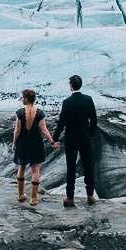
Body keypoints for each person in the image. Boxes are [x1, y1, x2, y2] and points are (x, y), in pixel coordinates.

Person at [51, 74, 97, 207]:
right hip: (85, 138)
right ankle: (90, 195)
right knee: (88, 165)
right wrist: (90, 134)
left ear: (71, 86)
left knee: (71, 167)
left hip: (71, 139)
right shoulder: (88, 100)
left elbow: (62, 123)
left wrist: (54, 139)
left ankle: (70, 197)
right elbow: (94, 120)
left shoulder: (67, 102)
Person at [12, 88, 58, 205]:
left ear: (26, 99)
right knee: (35, 170)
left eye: (22, 97)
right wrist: (52, 143)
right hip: (36, 141)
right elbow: (44, 130)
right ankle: (33, 199)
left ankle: (21, 195)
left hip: (23, 141)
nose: (22, 99)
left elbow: (17, 130)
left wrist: (14, 143)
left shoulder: (20, 112)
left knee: (21, 168)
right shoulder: (39, 113)